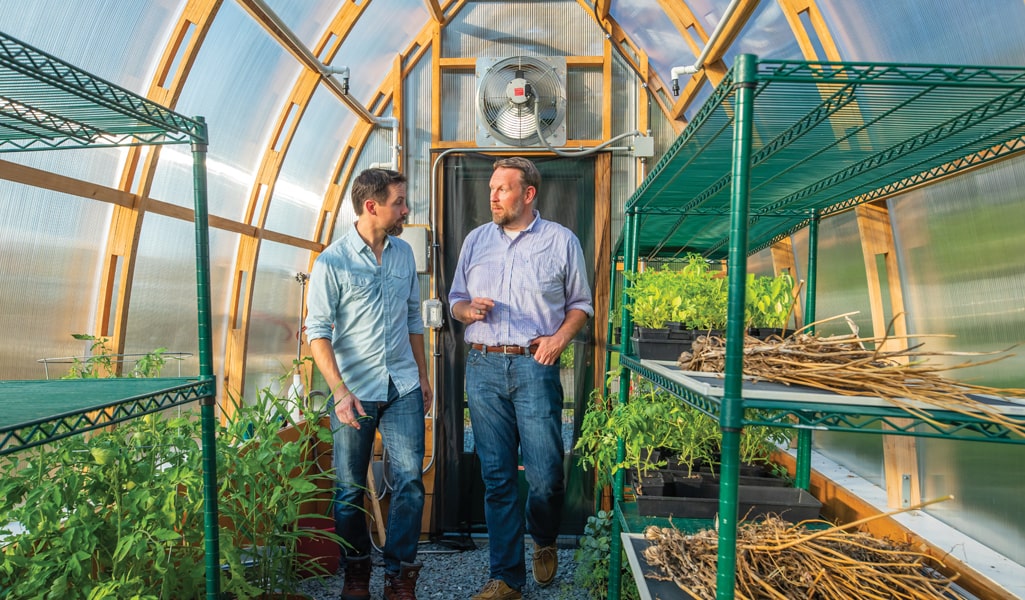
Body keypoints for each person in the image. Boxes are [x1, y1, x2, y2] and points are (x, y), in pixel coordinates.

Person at [449, 157, 593, 600]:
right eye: (491, 188)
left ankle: (544, 539)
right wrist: (467, 311)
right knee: (497, 476)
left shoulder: (561, 241)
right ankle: (507, 578)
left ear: (528, 194)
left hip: (535, 366)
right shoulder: (476, 241)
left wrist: (559, 340)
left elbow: (581, 306)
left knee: (548, 474)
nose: (492, 196)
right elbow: (455, 300)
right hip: (484, 366)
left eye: (502, 189)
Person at [305, 168, 432, 600]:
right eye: (399, 202)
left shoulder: (403, 255)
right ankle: (356, 572)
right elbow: (317, 331)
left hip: (403, 387)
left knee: (411, 482)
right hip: (353, 395)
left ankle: (399, 577)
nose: (406, 210)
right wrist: (339, 391)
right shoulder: (331, 261)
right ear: (371, 206)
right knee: (349, 489)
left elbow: (414, 318)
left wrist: (424, 374)